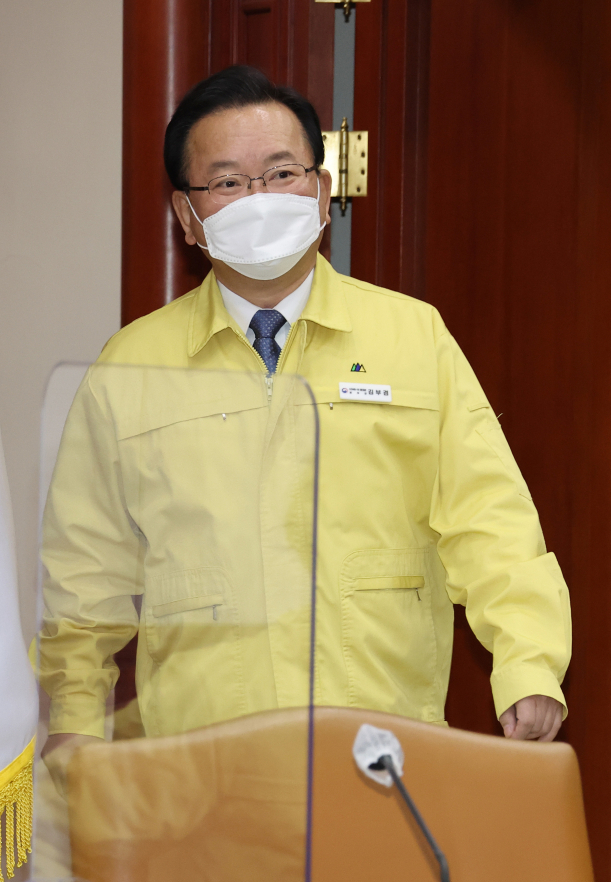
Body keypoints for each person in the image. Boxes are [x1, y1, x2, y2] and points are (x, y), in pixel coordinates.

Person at [41, 66, 571, 790]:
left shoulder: (413, 338)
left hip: (383, 760)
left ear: (321, 192)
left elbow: (493, 523)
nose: (258, 198)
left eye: (282, 172)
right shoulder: (130, 366)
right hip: (200, 778)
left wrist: (529, 663)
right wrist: (74, 721)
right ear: (187, 216)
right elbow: (84, 575)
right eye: (227, 182)